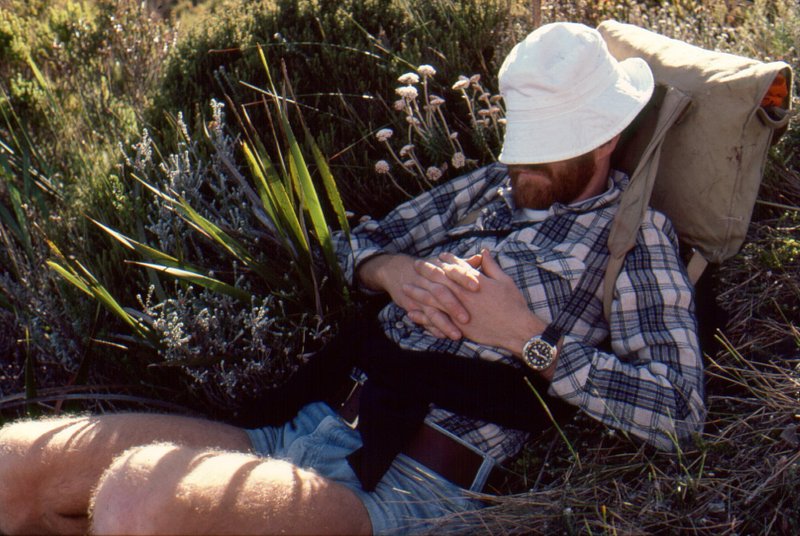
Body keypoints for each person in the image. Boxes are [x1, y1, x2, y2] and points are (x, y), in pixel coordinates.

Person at [0, 22, 705, 535]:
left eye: (552, 154)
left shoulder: (632, 238)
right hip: (307, 427)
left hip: (403, 485)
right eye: (525, 147)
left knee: (134, 502)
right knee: (16, 464)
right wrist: (392, 271)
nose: (527, 172)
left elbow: (678, 412)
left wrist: (527, 337)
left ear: (609, 136)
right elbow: (354, 243)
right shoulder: (490, 186)